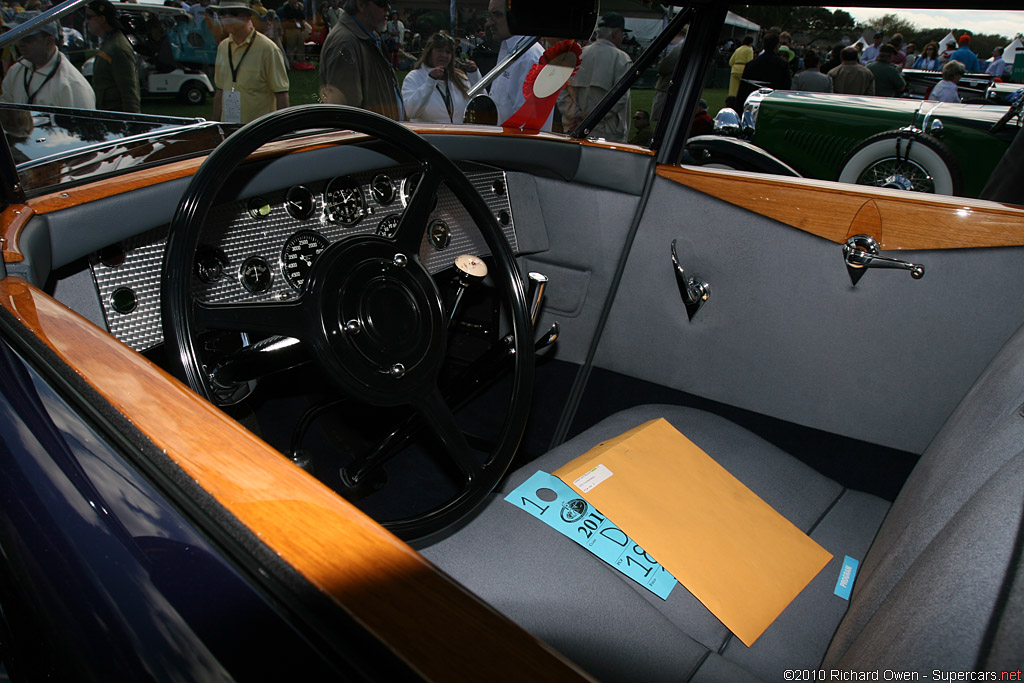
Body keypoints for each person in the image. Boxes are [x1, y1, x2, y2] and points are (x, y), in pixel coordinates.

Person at [319, 0, 403, 119]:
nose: (388, 8)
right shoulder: (345, 43)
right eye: (382, 3)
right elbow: (346, 115)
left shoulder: (369, 36)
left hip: (383, 133)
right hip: (372, 136)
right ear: (362, 5)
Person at [209, 0, 289, 124]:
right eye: (222, 13)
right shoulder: (223, 47)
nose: (226, 18)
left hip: (258, 131)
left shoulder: (268, 49)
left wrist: (281, 132)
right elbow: (220, 90)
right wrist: (213, 126)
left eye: (233, 13)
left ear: (247, 17)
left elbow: (281, 93)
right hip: (229, 131)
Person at [558, 12, 632, 142]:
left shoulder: (577, 55)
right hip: (607, 133)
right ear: (615, 33)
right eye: (622, 34)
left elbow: (562, 92)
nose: (622, 38)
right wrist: (591, 117)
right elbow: (620, 99)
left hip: (575, 128)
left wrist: (576, 115)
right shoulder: (621, 59)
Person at [0, 11, 94, 108]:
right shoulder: (15, 71)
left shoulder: (73, 86)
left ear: (49, 42)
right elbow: (5, 110)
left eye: (27, 39)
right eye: (17, 37)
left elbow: (83, 123)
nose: (20, 44)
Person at [484, 0, 548, 130]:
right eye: (489, 15)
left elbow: (525, 124)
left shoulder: (530, 58)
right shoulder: (509, 50)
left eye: (497, 15)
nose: (489, 22)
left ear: (517, 16)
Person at [401, 32, 479, 124]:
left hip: (458, 136)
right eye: (439, 50)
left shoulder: (460, 78)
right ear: (429, 52)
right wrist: (430, 81)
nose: (444, 55)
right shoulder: (414, 77)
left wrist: (474, 74)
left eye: (448, 52)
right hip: (428, 137)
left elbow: (482, 104)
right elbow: (410, 112)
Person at [85, 0, 139, 112]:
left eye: (89, 17)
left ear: (102, 19)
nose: (86, 21)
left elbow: (129, 93)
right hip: (106, 116)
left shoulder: (118, 48)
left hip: (115, 119)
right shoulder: (108, 43)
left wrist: (132, 125)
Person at [739, 32, 790, 103]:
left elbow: (742, 89)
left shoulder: (751, 64)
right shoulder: (783, 65)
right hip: (774, 102)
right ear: (777, 46)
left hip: (753, 101)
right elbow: (786, 88)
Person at [651, 32, 683, 121]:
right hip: (672, 86)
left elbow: (663, 67)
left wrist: (660, 64)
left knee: (659, 118)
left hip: (665, 87)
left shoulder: (678, 49)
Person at [278, 0, 310, 67]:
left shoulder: (298, 8)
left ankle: (301, 61)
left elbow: (302, 18)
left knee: (301, 45)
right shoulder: (285, 8)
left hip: (298, 29)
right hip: (290, 29)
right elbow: (284, 19)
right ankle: (291, 62)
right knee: (291, 47)